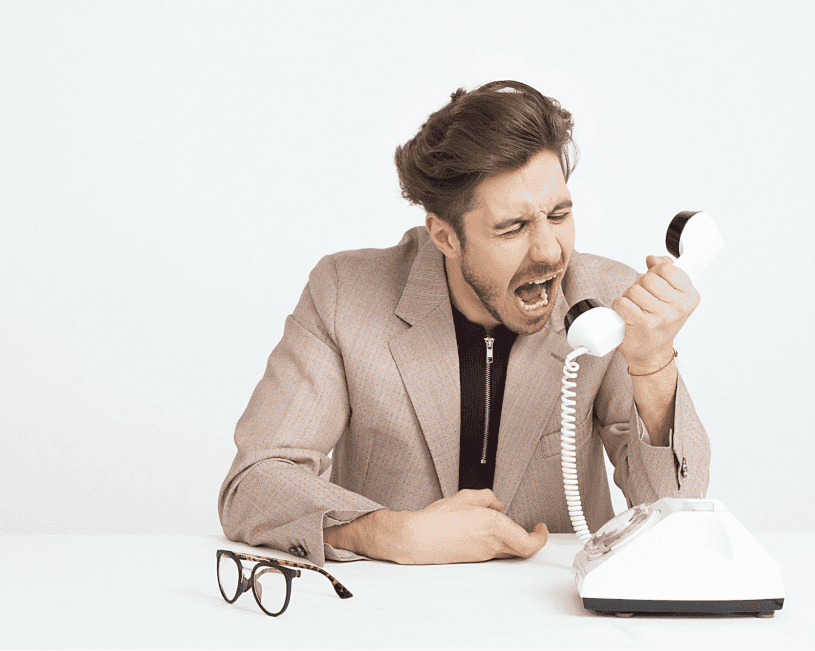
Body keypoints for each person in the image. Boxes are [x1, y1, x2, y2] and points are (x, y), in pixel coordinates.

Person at [218, 80, 711, 567]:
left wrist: (652, 367)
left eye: (559, 215)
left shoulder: (603, 299)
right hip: (388, 613)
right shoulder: (344, 293)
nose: (549, 251)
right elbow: (255, 481)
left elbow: (677, 514)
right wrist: (389, 533)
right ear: (445, 236)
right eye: (512, 227)